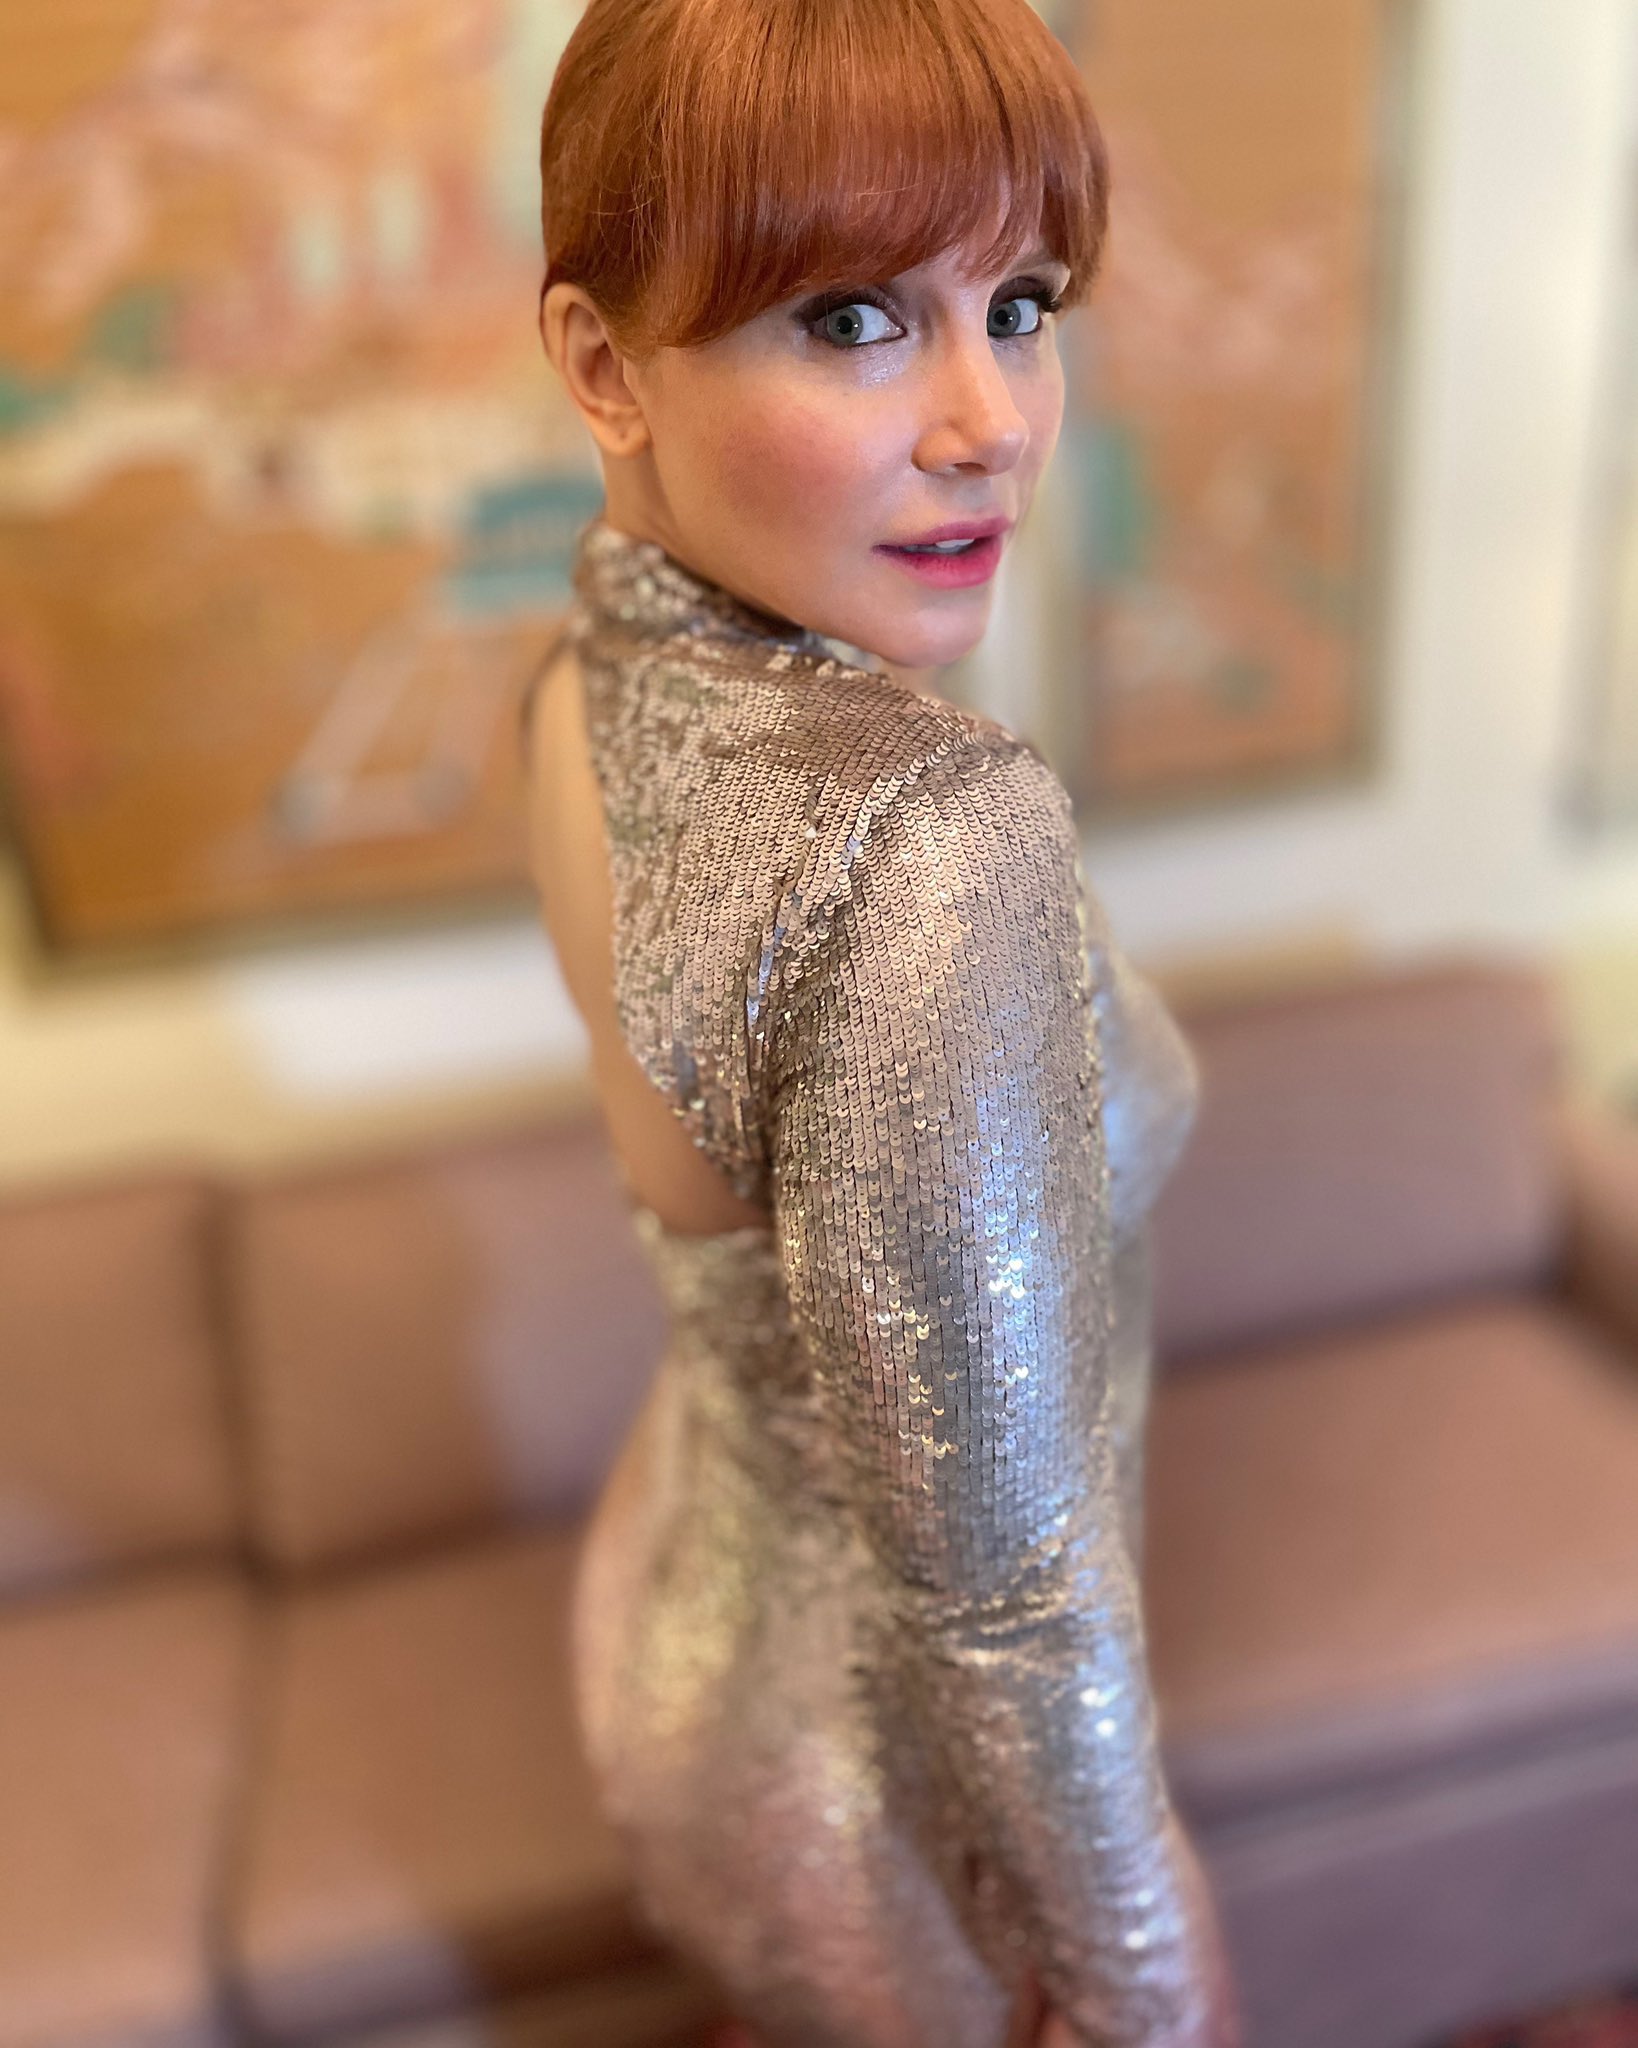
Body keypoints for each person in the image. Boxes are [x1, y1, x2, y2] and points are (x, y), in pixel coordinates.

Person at [519, 2, 1243, 2043]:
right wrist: (1152, 1983)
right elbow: (1006, 1603)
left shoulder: (594, 665)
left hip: (678, 1622)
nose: (990, 419)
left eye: (1020, 305)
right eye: (851, 317)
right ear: (601, 363)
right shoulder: (927, 833)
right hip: (895, 1808)